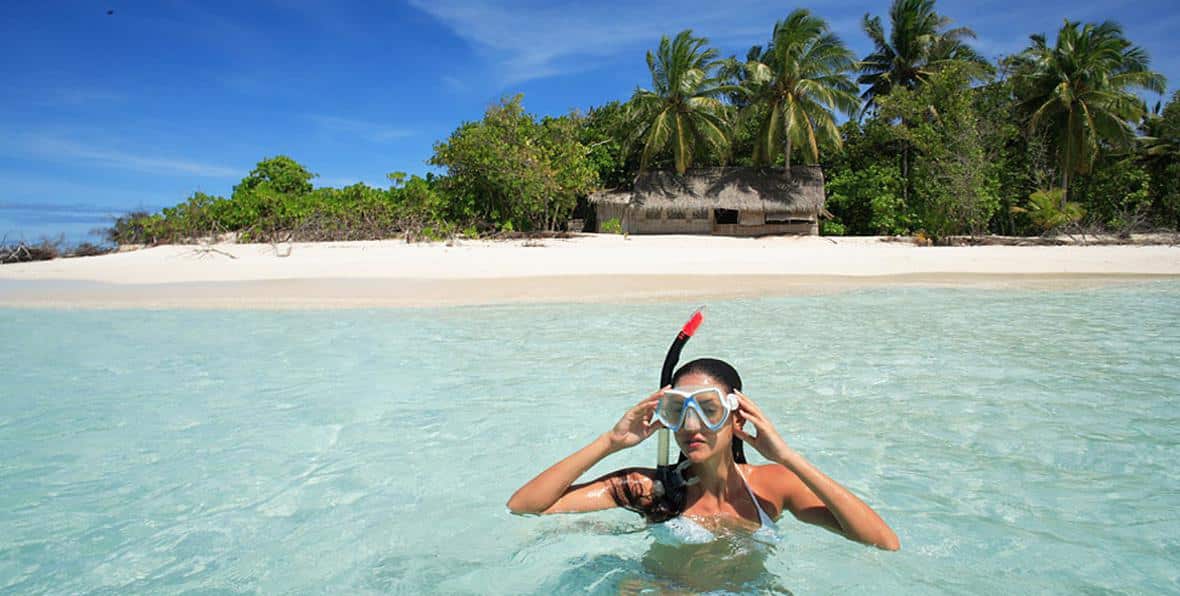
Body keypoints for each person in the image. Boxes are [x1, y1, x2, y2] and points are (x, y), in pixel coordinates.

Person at [507, 358, 900, 551]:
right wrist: (610, 441)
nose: (691, 427)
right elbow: (525, 506)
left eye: (709, 411)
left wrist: (786, 456)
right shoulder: (651, 489)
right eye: (678, 412)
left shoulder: (770, 487)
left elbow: (881, 541)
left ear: (736, 415)